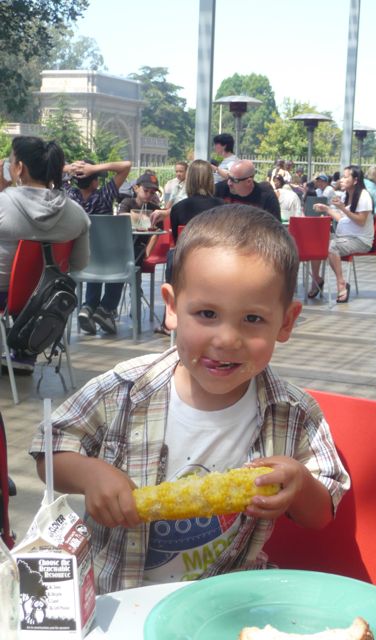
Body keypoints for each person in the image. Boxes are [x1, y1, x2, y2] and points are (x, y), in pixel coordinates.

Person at [29, 204, 349, 594]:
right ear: (172, 307)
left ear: (286, 322)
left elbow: (322, 513)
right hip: (118, 593)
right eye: (207, 313)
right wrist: (88, 473)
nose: (226, 339)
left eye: (252, 319)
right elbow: (48, 450)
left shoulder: (294, 413)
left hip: (227, 597)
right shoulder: (123, 388)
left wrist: (299, 485)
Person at [0, 136, 90, 372]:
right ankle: (23, 355)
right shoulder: (77, 213)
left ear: (19, 168)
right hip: (47, 300)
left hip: (4, 296)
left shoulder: (2, 203)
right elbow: (79, 263)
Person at [153, 159, 223, 336]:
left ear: (189, 180)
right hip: (215, 264)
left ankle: (169, 320)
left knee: (173, 256)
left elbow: (177, 241)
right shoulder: (223, 207)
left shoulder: (179, 208)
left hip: (186, 264)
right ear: (210, 180)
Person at [64, 157, 132, 336]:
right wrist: (94, 168)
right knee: (121, 260)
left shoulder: (69, 196)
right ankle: (106, 308)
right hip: (109, 262)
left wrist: (71, 168)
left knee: (93, 256)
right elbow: (126, 166)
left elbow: (49, 170)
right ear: (94, 181)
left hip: (80, 261)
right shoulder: (104, 196)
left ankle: (88, 306)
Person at [313, 166, 374, 303]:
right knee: (318, 242)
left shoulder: (364, 195)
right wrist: (327, 209)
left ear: (355, 180)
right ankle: (316, 279)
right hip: (344, 238)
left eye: (346, 177)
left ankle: (341, 283)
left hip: (360, 240)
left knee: (332, 246)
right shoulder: (346, 195)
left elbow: (361, 221)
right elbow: (343, 219)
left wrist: (342, 208)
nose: (342, 179)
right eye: (342, 176)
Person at [215, 160, 281, 220]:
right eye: (228, 177)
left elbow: (275, 227)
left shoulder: (266, 197)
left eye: (234, 180)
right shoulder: (221, 189)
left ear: (249, 181)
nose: (229, 183)